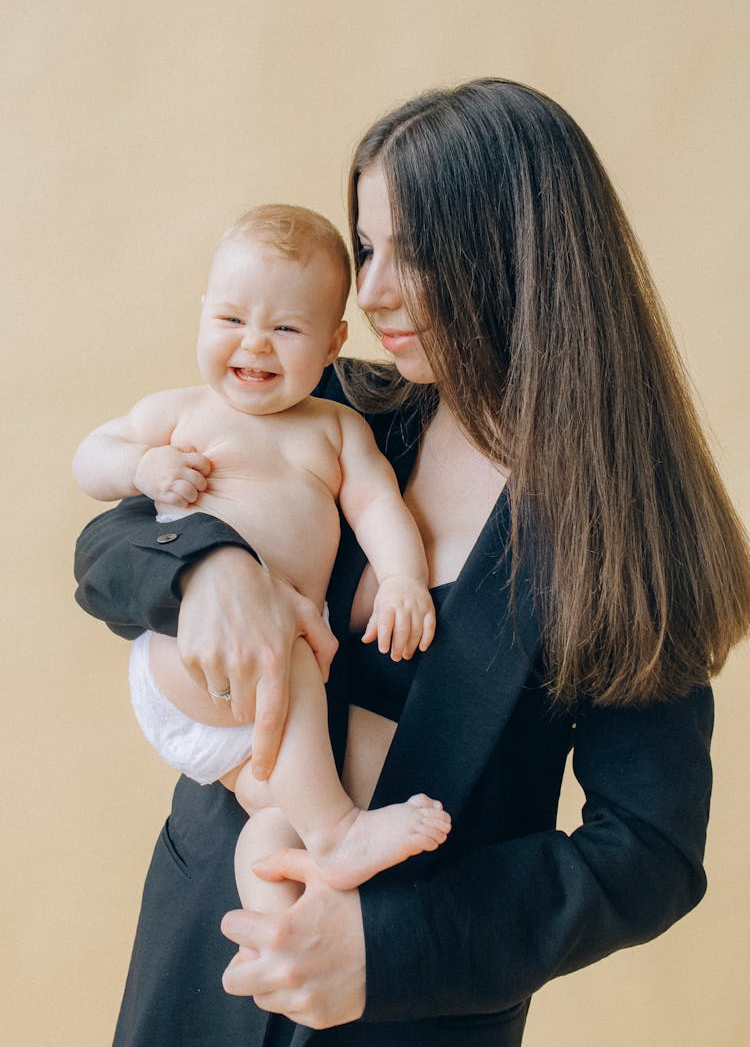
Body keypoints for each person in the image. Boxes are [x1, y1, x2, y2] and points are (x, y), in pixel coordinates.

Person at [74, 79, 750, 1047]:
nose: (374, 290)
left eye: (417, 252)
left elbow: (648, 854)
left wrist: (389, 947)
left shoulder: (634, 535)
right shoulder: (342, 411)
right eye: (366, 247)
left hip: (410, 1018)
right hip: (201, 957)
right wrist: (210, 569)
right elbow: (108, 543)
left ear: (524, 256)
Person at [73, 204, 449, 906]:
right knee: (290, 652)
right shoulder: (182, 412)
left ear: (334, 341)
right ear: (203, 311)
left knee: (278, 812)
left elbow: (377, 506)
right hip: (189, 654)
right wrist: (142, 468)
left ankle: (272, 927)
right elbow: (90, 456)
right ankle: (340, 832)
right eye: (231, 319)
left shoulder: (336, 429)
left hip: (249, 709)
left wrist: (403, 578)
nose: (255, 344)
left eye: (285, 328)